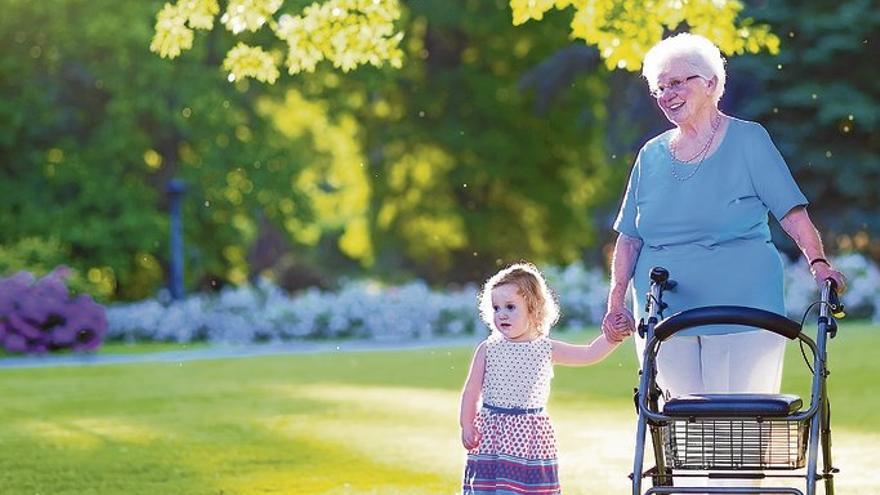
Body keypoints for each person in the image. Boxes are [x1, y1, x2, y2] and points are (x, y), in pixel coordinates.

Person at [602, 33, 847, 488]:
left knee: (737, 430)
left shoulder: (749, 140)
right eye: (659, 87)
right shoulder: (650, 155)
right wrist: (616, 300)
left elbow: (791, 212)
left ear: (712, 82)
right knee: (683, 430)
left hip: (745, 309)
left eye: (678, 82)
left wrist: (818, 264)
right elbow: (630, 238)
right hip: (666, 315)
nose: (667, 95)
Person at [460, 262, 627, 495]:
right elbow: (471, 391)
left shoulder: (545, 349)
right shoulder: (487, 349)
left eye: (510, 306)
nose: (502, 314)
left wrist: (613, 338)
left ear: (533, 308)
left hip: (529, 437)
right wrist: (467, 424)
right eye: (496, 308)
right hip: (492, 435)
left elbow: (588, 353)